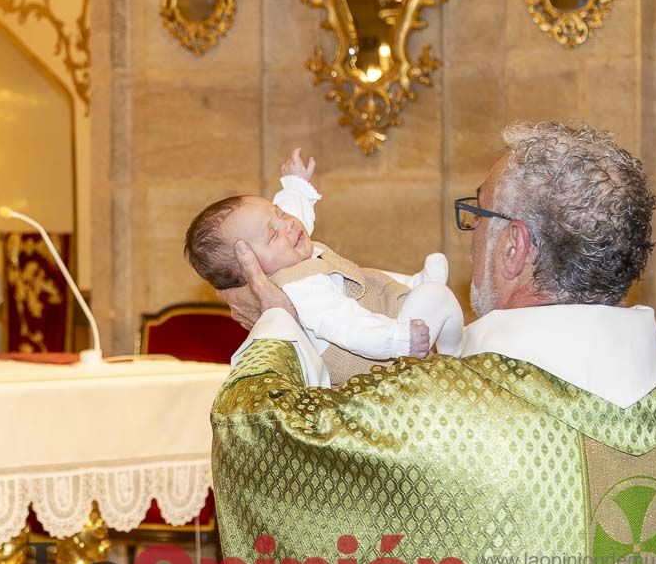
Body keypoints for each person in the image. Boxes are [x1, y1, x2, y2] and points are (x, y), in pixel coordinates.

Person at [210, 122, 656, 564]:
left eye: (477, 216)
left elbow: (255, 427)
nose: (470, 237)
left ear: (514, 247)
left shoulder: (434, 412)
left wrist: (278, 320)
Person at [184, 148, 464, 387]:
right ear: (251, 267)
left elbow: (295, 214)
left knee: (373, 278)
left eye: (278, 214)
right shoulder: (299, 288)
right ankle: (455, 358)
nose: (288, 224)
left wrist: (294, 187)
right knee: (438, 297)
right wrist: (398, 339)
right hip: (373, 357)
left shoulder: (288, 253)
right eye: (272, 234)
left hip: (377, 320)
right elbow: (347, 325)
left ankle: (415, 285)